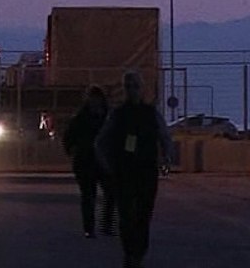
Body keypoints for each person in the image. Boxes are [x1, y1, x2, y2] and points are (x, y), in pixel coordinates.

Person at [95, 71, 172, 268]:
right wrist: (108, 165)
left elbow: (164, 136)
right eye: (128, 86)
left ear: (141, 88)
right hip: (125, 171)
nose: (132, 90)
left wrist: (166, 158)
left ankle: (138, 253)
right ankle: (131, 253)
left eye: (135, 86)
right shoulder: (118, 114)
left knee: (143, 215)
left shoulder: (150, 113)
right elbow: (101, 142)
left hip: (146, 170)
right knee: (127, 216)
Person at [64, 85, 115, 238]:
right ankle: (91, 228)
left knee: (109, 193)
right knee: (89, 195)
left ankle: (103, 225)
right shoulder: (84, 118)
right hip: (86, 160)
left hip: (101, 160)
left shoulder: (106, 117)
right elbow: (68, 137)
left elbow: (68, 138)